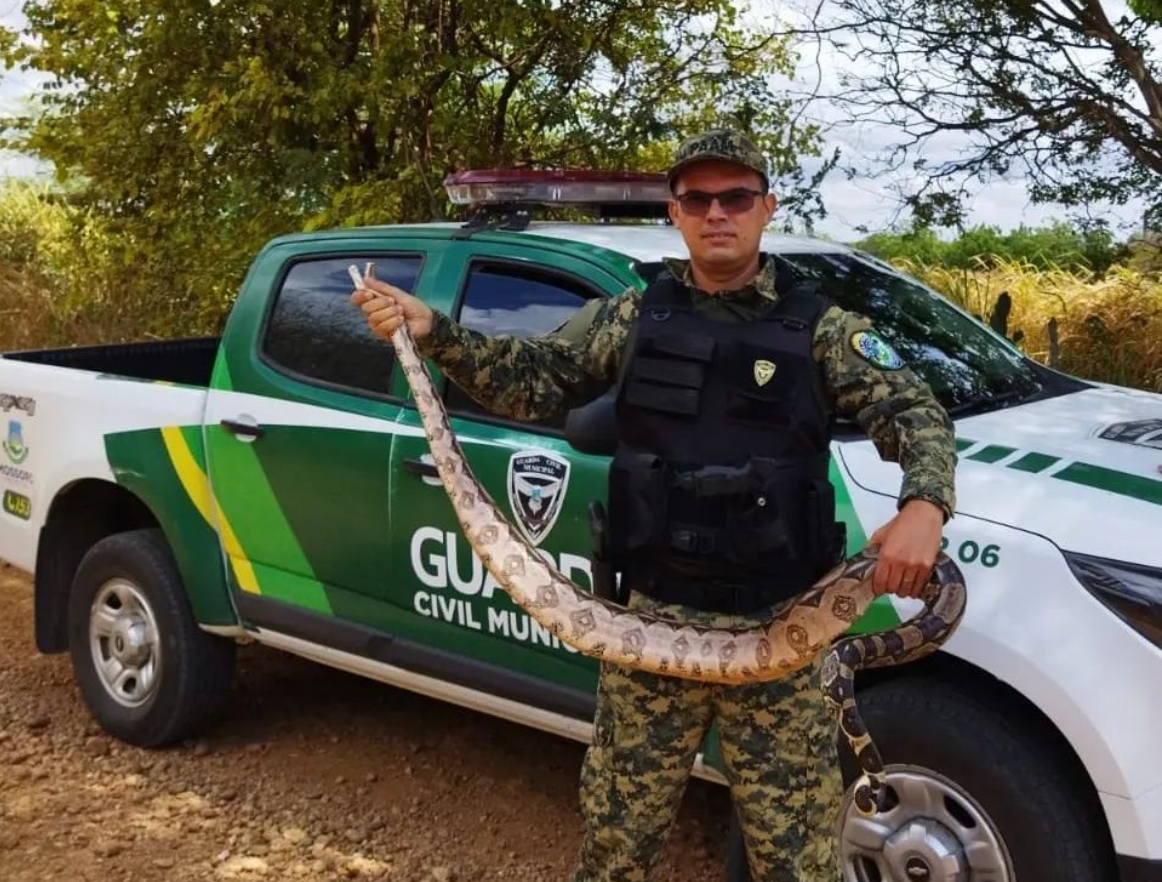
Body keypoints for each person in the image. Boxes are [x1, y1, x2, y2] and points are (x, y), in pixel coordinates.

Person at [351, 129, 958, 882]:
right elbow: (532, 380)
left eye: (735, 196)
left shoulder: (825, 331)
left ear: (767, 207)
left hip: (781, 637)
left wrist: (924, 505)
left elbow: (916, 413)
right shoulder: (635, 316)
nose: (717, 213)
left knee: (798, 862)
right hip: (647, 631)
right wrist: (432, 331)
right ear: (676, 212)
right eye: (698, 199)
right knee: (615, 849)